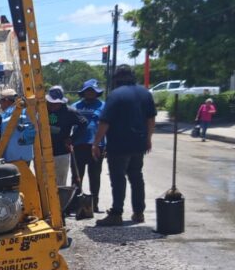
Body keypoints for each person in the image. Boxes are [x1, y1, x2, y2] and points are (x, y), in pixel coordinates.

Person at [93, 65, 157, 226]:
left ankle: (116, 213)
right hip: (139, 144)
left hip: (119, 145)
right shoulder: (145, 93)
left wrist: (96, 143)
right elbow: (151, 119)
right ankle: (138, 212)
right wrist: (148, 138)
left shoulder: (115, 95)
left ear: (116, 79)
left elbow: (104, 121)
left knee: (118, 178)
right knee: (136, 177)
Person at [70, 79, 106, 212]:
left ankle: (94, 203)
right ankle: (75, 203)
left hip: (97, 146)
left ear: (97, 92)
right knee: (77, 176)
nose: (90, 93)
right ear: (83, 93)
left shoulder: (103, 106)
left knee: (95, 176)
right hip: (79, 145)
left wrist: (106, 144)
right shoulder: (75, 106)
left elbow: (107, 125)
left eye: (92, 91)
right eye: (87, 91)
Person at [46, 85, 87, 186]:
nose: (52, 106)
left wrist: (72, 139)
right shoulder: (43, 110)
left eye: (56, 103)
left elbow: (83, 123)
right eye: (50, 103)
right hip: (44, 153)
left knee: (60, 183)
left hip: (61, 153)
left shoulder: (69, 112)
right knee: (45, 183)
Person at [0, 88, 36, 163]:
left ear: (6, 101)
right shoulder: (28, 114)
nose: (1, 106)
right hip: (27, 158)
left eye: (1, 103)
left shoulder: (5, 119)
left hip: (11, 161)